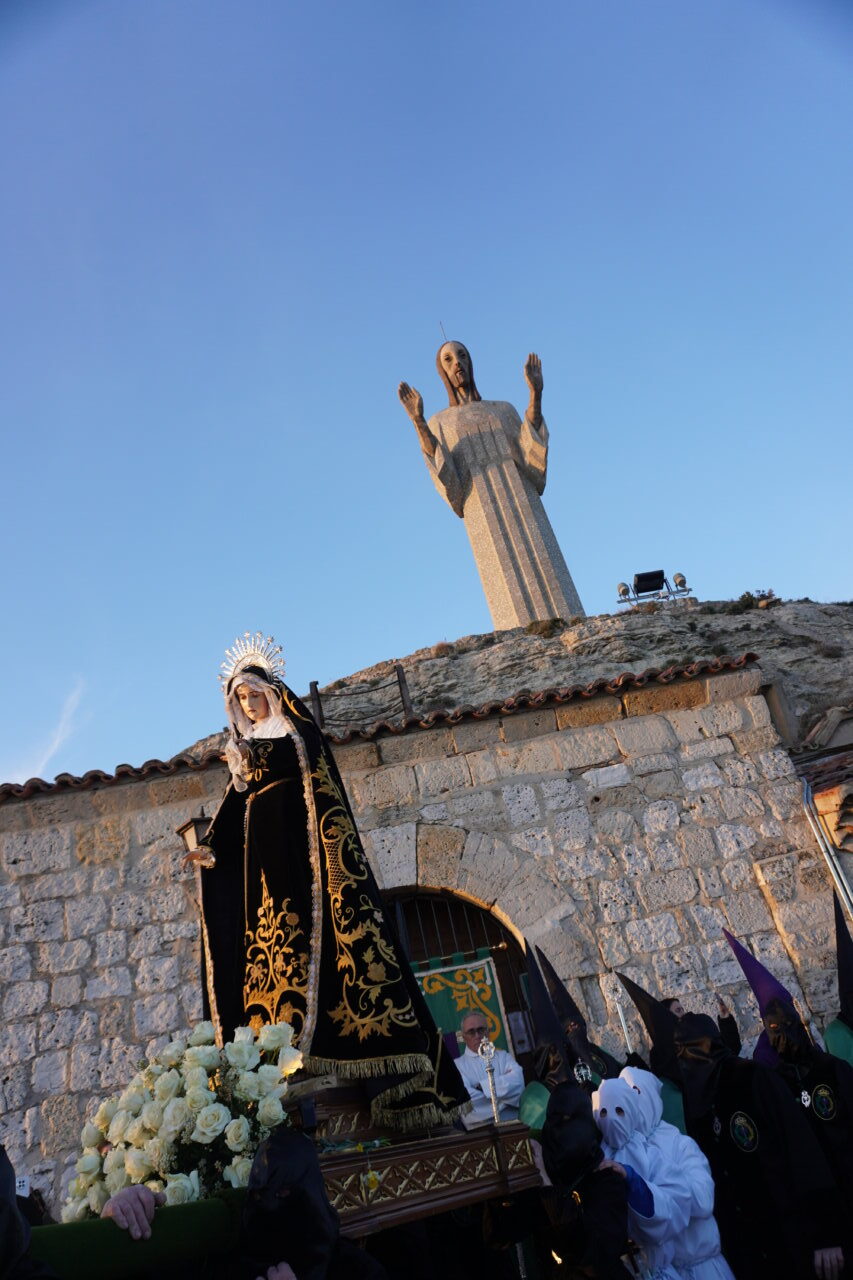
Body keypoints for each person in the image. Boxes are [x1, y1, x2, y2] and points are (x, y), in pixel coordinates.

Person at [186, 633, 467, 1132]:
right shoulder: (243, 752)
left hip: (304, 865)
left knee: (314, 954)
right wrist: (212, 850)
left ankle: (337, 1067)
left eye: (253, 694)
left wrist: (258, 763)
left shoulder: (296, 735)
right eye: (239, 700)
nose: (248, 705)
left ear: (271, 692)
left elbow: (310, 777)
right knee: (268, 959)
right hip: (262, 880)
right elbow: (233, 808)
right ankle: (281, 1063)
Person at [398, 342, 584, 629]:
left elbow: (530, 449)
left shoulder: (502, 410)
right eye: (448, 359)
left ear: (471, 362)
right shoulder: (439, 421)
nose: (457, 363)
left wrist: (535, 394)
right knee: (507, 593)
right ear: (442, 371)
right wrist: (418, 421)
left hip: (524, 500)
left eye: (461, 356)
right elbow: (445, 474)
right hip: (481, 509)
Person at [674, 1012, 844, 1280]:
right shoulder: (699, 1102)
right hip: (753, 1249)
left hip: (794, 1233)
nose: (684, 1058)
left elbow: (802, 1148)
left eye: (689, 1049)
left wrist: (826, 1233)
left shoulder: (752, 1078)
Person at [620, 1066, 734, 1280]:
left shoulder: (679, 1144)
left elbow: (703, 1198)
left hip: (702, 1268)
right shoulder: (624, 1152)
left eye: (635, 1092)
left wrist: (658, 1196)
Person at [592, 1078, 688, 1280]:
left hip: (655, 1265)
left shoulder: (650, 1153)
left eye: (619, 1111)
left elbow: (678, 1205)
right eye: (603, 1112)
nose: (611, 1120)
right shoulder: (596, 1157)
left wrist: (633, 1182)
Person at [454, 1011, 524, 1125]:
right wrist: (506, 1101)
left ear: (488, 1032)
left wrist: (482, 1087)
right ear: (464, 1037)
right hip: (480, 1130)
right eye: (471, 1032)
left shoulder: (503, 1057)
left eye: (481, 1030)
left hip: (512, 1124)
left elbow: (518, 1083)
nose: (477, 1035)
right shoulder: (457, 1065)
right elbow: (467, 1103)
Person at [662, 995, 742, 1057]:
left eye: (682, 1009)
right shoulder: (665, 1052)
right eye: (678, 1010)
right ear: (668, 1017)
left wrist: (725, 1020)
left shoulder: (696, 1036)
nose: (683, 1014)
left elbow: (732, 1049)